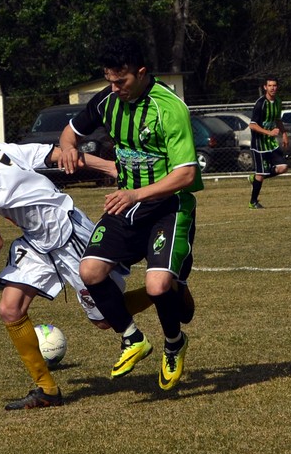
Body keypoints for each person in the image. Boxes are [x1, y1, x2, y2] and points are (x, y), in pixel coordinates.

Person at [0, 122, 154, 410]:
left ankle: (164, 291)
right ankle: (47, 390)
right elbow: (57, 155)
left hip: (65, 231)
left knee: (104, 320)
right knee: (10, 309)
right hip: (37, 239)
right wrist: (108, 166)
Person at [59, 37, 202, 391]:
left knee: (157, 286)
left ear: (141, 73)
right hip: (127, 204)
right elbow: (70, 133)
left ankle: (173, 344)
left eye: (121, 81)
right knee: (89, 271)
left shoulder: (169, 108)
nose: (114, 88)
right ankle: (132, 338)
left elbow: (185, 173)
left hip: (168, 205)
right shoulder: (108, 100)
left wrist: (136, 192)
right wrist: (67, 148)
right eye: (109, 81)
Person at [248, 77, 289, 209]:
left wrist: (284, 134)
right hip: (259, 144)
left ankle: (254, 178)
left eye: (275, 85)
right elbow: (252, 125)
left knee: (283, 167)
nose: (272, 88)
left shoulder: (277, 102)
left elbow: (278, 120)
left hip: (270, 143)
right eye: (270, 85)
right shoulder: (261, 103)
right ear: (265, 87)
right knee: (261, 174)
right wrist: (269, 132)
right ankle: (253, 202)